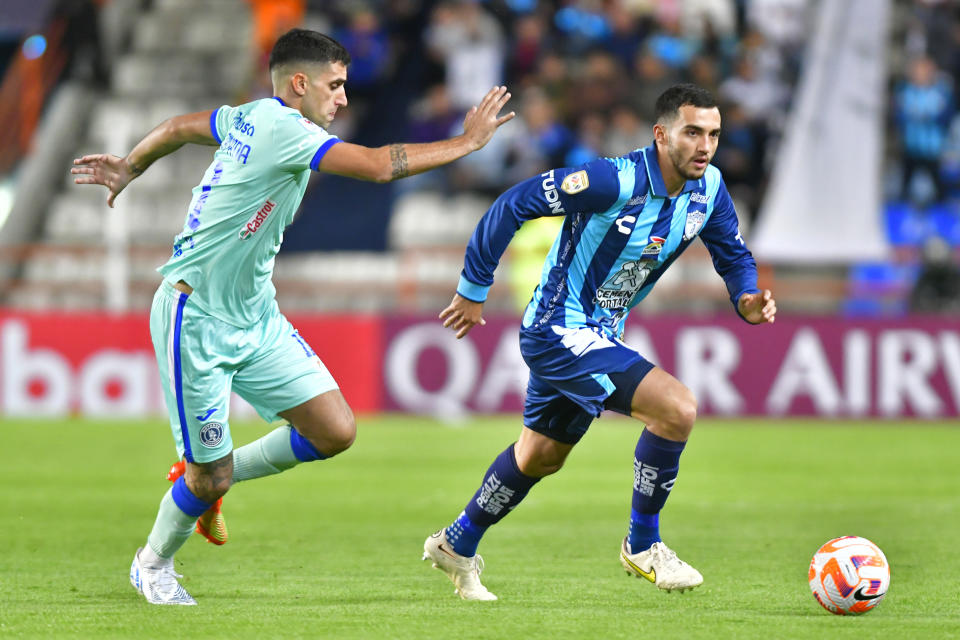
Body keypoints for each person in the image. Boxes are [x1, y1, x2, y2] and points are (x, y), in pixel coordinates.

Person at [71, 28, 514, 606]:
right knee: (210, 479)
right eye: (335, 85)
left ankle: (206, 478)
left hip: (255, 315)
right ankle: (153, 563)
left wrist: (131, 165)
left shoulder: (247, 116)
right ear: (299, 84)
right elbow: (380, 167)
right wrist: (467, 142)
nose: (343, 99)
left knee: (334, 431)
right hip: (196, 319)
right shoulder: (284, 128)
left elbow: (180, 126)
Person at [423, 83, 776, 601]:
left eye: (714, 135)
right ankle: (643, 544)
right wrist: (473, 290)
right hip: (557, 328)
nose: (705, 146)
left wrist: (747, 297)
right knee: (676, 409)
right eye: (693, 132)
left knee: (541, 456)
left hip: (600, 332)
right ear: (661, 135)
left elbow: (733, 252)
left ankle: (456, 543)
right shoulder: (614, 179)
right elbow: (514, 203)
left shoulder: (710, 189)